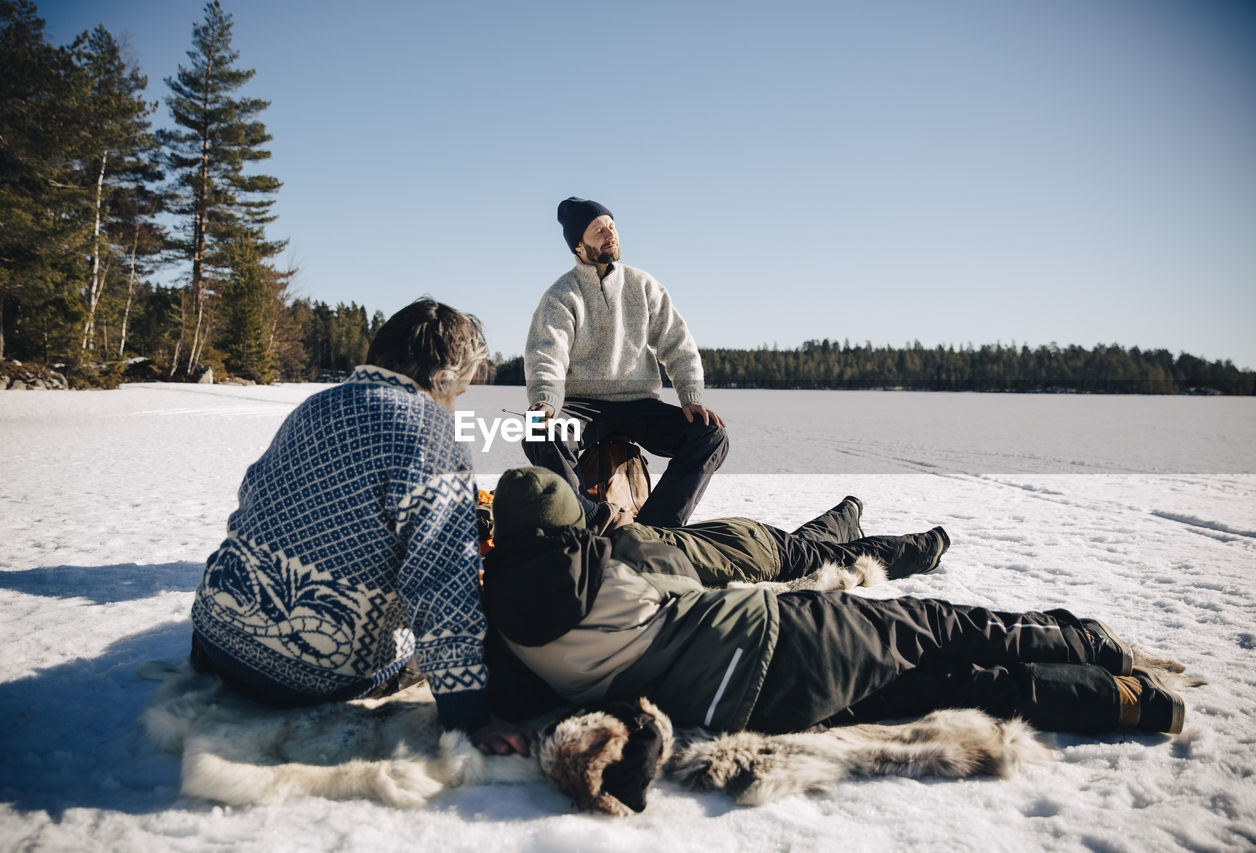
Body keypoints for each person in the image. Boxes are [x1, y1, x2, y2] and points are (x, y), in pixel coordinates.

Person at [480, 467, 1186, 738]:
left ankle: (1130, 701)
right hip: (787, 637)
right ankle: (1097, 646)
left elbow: (503, 695)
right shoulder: (621, 557)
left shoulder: (506, 634)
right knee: (942, 628)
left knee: (953, 691)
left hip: (752, 710)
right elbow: (702, 571)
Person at [190, 298, 531, 756]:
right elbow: (443, 582)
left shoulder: (315, 407)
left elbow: (253, 499)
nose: (455, 406)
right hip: (311, 674)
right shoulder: (433, 437)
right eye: (462, 392)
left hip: (215, 639)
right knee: (483, 623)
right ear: (444, 378)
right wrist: (468, 715)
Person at [522, 197, 728, 529]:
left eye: (612, 226)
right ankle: (590, 520)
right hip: (582, 405)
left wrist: (691, 398)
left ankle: (655, 529)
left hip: (639, 403)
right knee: (536, 433)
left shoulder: (644, 286)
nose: (610, 234)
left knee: (711, 436)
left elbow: (678, 343)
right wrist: (546, 400)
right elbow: (548, 352)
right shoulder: (562, 295)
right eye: (598, 230)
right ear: (579, 244)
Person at [484, 467, 951, 588]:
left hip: (755, 556)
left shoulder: (606, 569)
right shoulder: (600, 537)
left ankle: (928, 546)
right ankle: (848, 510)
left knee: (843, 561)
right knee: (808, 543)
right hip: (731, 535)